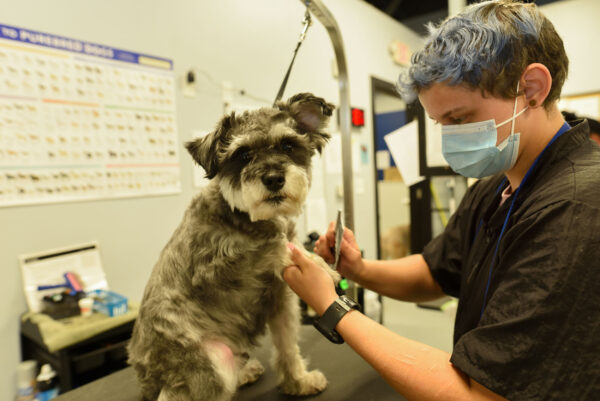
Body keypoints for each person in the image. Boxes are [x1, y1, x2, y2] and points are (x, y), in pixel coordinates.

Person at [283, 1, 600, 400]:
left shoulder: (577, 208)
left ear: (532, 89)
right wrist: (358, 268)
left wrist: (332, 307)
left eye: (460, 119)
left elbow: (479, 395)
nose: (449, 138)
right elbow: (437, 272)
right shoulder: (498, 183)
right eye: (440, 123)